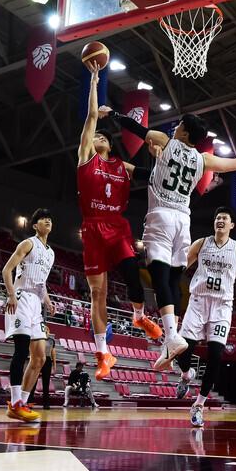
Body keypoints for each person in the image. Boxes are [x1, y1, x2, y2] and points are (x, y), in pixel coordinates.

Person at [102, 107, 236, 370]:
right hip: (183, 221)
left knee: (159, 275)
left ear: (184, 131)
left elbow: (135, 128)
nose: (175, 128)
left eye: (179, 125)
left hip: (161, 215)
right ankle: (169, 341)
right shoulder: (203, 159)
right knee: (173, 279)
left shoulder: (165, 141)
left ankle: (171, 337)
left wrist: (113, 114)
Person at [77, 62, 162, 381]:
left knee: (132, 273)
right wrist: (95, 80)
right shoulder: (86, 159)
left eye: (102, 136)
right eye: (95, 136)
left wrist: (158, 156)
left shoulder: (121, 166)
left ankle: (139, 316)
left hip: (118, 227)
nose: (97, 137)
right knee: (97, 293)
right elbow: (90, 119)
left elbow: (154, 176)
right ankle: (103, 353)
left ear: (110, 145)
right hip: (92, 227)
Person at [174, 207, 236, 427]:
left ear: (231, 225)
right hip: (198, 302)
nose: (220, 220)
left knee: (216, 355)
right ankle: (186, 375)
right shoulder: (201, 244)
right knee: (182, 349)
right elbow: (181, 266)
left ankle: (199, 405)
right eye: (217, 217)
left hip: (222, 306)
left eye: (224, 218)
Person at [2, 208, 56, 423]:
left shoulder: (51, 253)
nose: (48, 221)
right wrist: (11, 295)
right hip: (21, 297)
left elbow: (42, 284)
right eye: (43, 219)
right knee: (21, 351)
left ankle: (22, 403)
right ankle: (15, 403)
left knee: (40, 357)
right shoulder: (27, 244)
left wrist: (48, 302)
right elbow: (7, 270)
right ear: (35, 225)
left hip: (36, 303)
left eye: (50, 219)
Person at [40, 327, 57, 409]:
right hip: (38, 358)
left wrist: (54, 364)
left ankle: (46, 403)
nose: (46, 331)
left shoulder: (51, 340)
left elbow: (53, 353)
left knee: (46, 382)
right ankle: (29, 402)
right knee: (33, 381)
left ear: (49, 331)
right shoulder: (39, 339)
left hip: (47, 360)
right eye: (44, 330)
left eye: (47, 330)